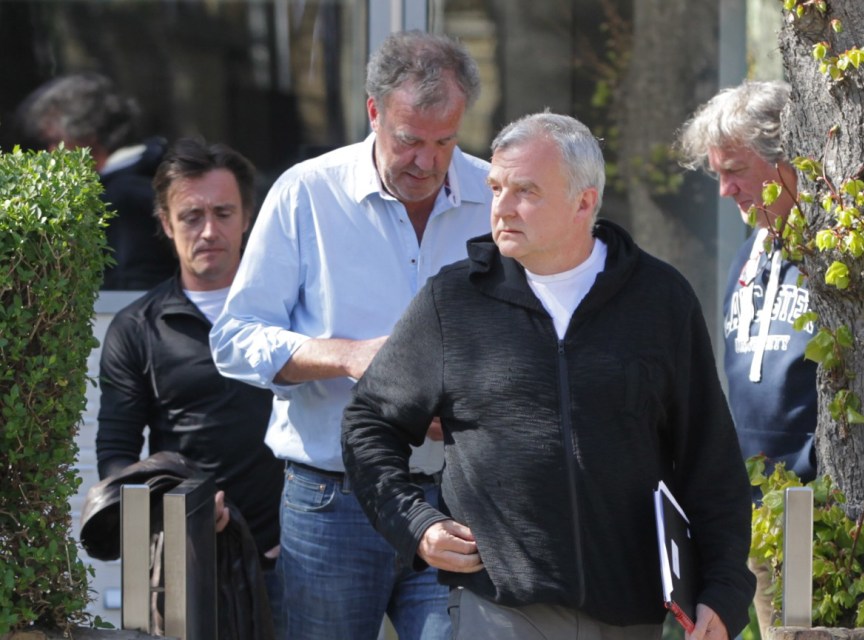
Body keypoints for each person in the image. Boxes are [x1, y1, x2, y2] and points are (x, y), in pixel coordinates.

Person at [341, 111, 756, 640]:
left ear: (584, 202)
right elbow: (367, 423)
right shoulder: (453, 301)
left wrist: (723, 591)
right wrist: (415, 524)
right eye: (496, 187)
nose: (501, 208)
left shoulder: (660, 300)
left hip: (634, 615)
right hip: (498, 610)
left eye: (526, 192)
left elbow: (709, 457)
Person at [210, 30, 493, 640]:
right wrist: (346, 357)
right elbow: (234, 337)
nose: (428, 162)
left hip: (460, 499)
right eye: (409, 140)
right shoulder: (305, 192)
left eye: (446, 141)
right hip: (331, 503)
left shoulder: (498, 199)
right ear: (373, 112)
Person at [96, 138, 284, 633]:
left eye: (223, 213)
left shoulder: (294, 313)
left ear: (248, 216)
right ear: (164, 222)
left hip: (295, 554)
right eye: (191, 216)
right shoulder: (137, 328)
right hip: (183, 560)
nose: (208, 231)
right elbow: (116, 456)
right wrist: (172, 503)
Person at [675, 80, 819, 637]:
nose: (724, 190)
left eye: (734, 169)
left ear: (787, 161)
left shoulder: (831, 258)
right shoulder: (749, 252)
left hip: (816, 510)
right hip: (755, 512)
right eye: (716, 173)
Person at [16, 72, 177, 290]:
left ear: (87, 135)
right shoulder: (140, 179)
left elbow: (132, 286)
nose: (50, 153)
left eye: (54, 141)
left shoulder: (124, 193)